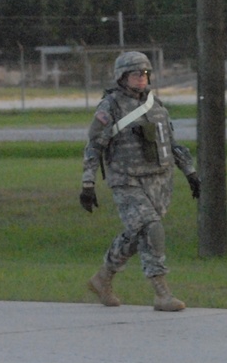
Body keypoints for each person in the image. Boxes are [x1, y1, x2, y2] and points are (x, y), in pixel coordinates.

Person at [79, 50, 200, 312]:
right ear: (122, 77)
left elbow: (171, 142)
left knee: (138, 233)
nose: (141, 78)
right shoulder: (110, 107)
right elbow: (93, 146)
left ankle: (103, 278)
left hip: (158, 180)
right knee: (152, 229)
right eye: (136, 74)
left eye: (145, 73)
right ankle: (161, 293)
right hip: (126, 180)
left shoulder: (156, 106)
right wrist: (87, 183)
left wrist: (190, 173)